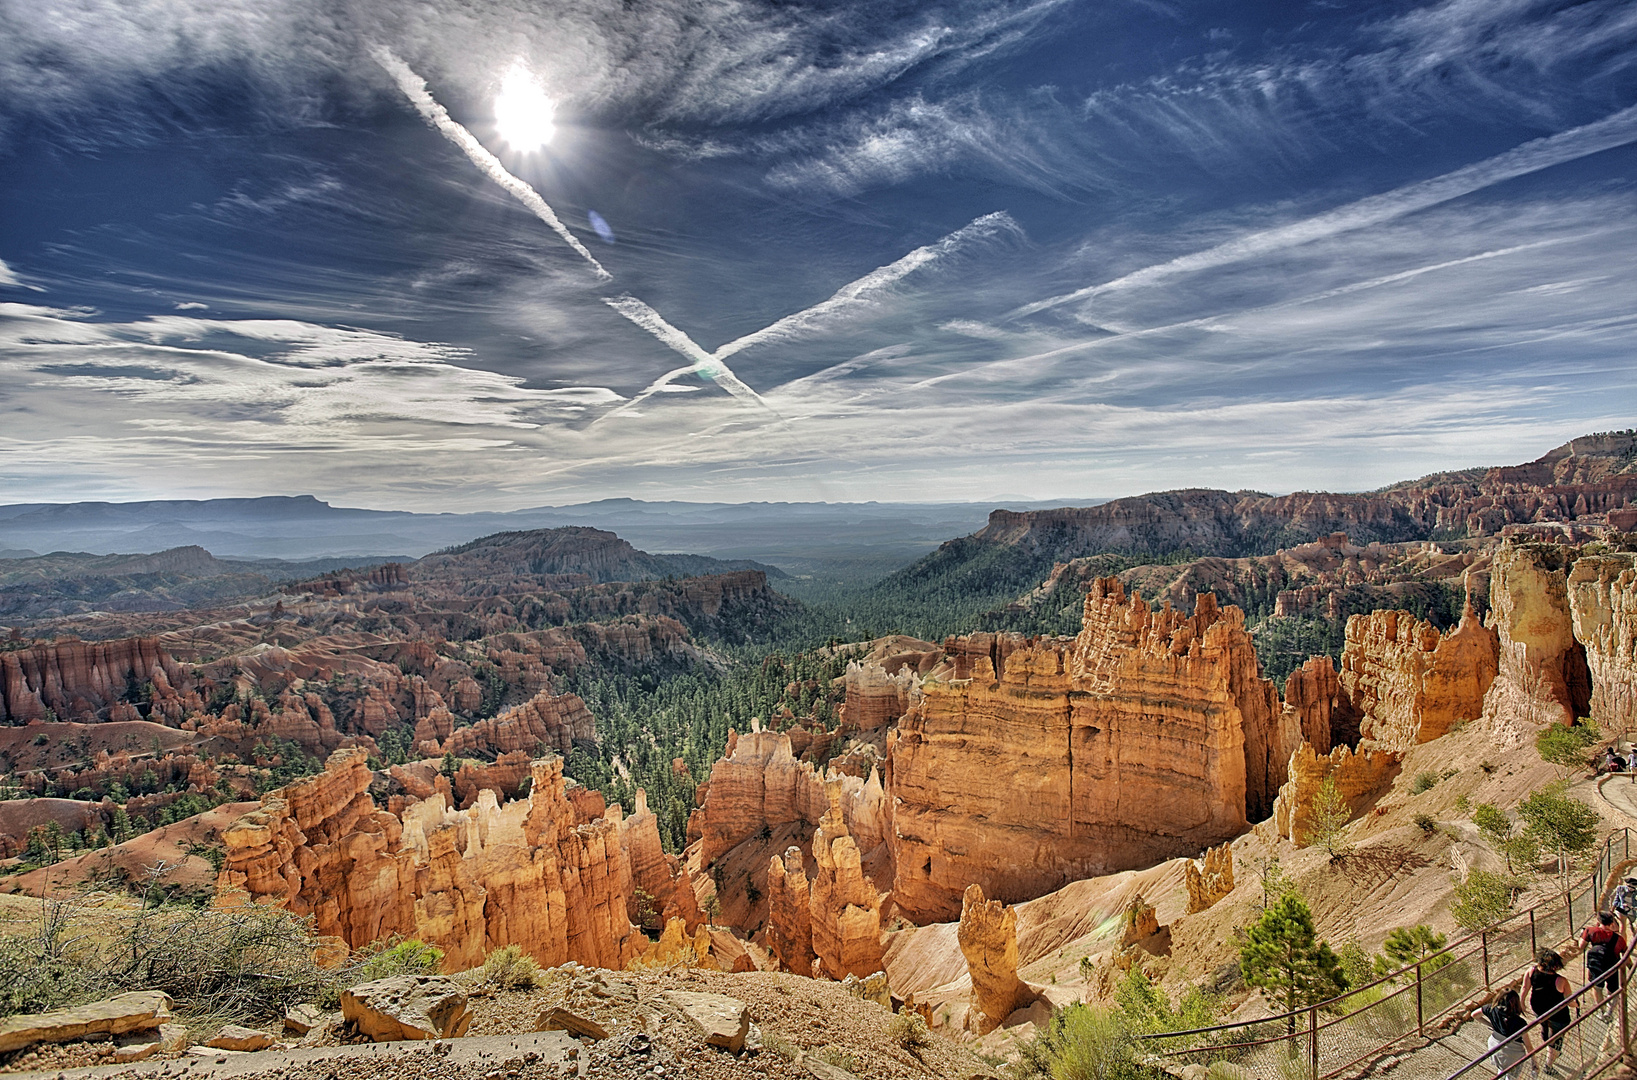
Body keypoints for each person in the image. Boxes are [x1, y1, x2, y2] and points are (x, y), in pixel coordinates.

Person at [1529, 949, 1574, 1074]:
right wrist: (1577, 1004)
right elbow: (1569, 1001)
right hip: (1558, 1015)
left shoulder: (1532, 972)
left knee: (1545, 1028)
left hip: (1539, 1010)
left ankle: (1550, 1049)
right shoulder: (1561, 981)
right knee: (1557, 1039)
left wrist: (1522, 1004)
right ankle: (1549, 1065)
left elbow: (1524, 989)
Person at [1473, 989, 1533, 1080]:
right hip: (1513, 1053)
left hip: (1496, 1048)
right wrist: (1534, 1062)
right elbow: (1528, 1046)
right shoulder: (1520, 1023)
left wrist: (1490, 1025)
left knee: (1501, 1069)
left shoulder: (1490, 1009)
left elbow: (1474, 1015)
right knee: (1511, 1076)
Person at [1581, 910, 1627, 1016]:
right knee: (1613, 990)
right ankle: (1609, 1012)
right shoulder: (1619, 939)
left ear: (1598, 922)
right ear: (1612, 924)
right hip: (1612, 966)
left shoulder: (1590, 931)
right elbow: (1626, 957)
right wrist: (1631, 968)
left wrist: (1582, 936)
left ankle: (1601, 1011)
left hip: (1596, 964)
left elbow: (1581, 946)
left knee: (1597, 988)